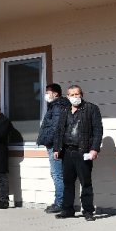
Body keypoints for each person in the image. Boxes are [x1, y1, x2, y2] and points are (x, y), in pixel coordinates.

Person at [53, 85, 102, 221]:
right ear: (67, 97)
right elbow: (59, 131)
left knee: (85, 182)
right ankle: (67, 209)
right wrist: (57, 148)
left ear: (82, 94)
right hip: (67, 151)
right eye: (72, 95)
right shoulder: (64, 111)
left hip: (83, 151)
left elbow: (98, 131)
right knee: (67, 182)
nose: (75, 97)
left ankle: (88, 211)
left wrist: (94, 149)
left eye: (77, 94)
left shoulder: (91, 108)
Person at [36, 83, 70, 213]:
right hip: (54, 145)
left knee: (57, 175)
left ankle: (60, 203)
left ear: (55, 93)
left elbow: (56, 128)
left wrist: (49, 141)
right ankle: (60, 201)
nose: (45, 95)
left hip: (55, 145)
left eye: (48, 92)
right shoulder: (55, 106)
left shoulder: (57, 106)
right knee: (57, 174)